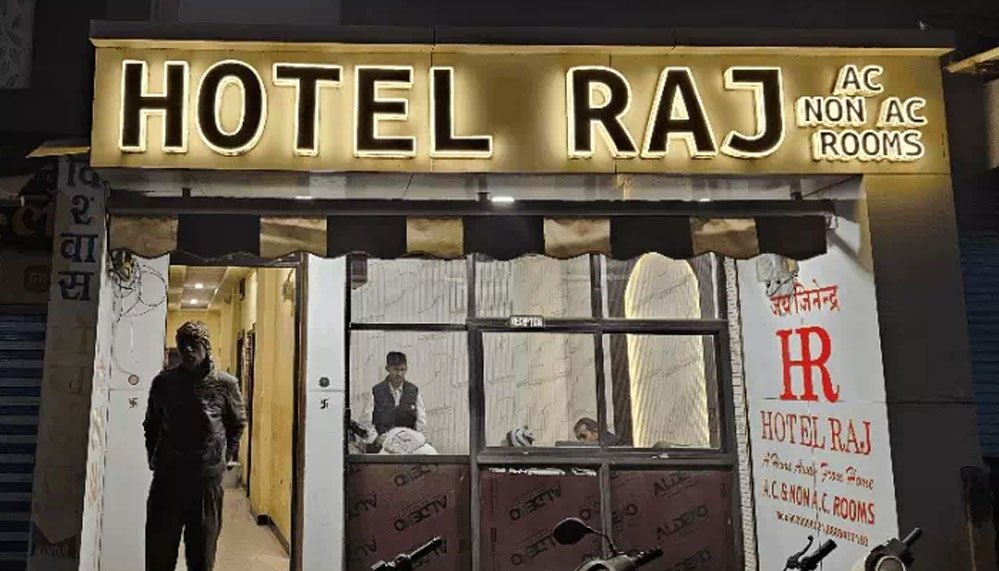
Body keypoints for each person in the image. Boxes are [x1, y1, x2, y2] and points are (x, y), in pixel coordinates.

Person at [143, 321, 247, 571]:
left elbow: (237, 423)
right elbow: (152, 423)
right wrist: (153, 458)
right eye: (183, 345)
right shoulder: (164, 383)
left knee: (201, 554)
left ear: (206, 346)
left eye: (194, 344)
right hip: (168, 479)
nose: (188, 350)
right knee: (159, 554)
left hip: (205, 481)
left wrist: (223, 457)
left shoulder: (225, 384)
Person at [371, 351, 427, 435]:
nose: (399, 374)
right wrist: (376, 439)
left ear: (406, 369)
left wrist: (417, 439)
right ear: (387, 368)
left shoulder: (413, 391)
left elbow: (421, 421)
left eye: (402, 370)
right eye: (395, 369)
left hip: (408, 439)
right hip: (383, 439)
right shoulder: (376, 391)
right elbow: (367, 422)